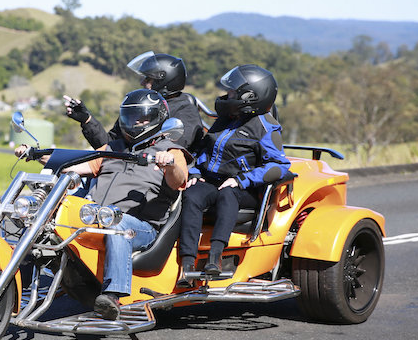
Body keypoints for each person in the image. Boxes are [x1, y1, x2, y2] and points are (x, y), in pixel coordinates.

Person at [17, 89, 189, 320]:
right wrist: (36, 154)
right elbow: (76, 163)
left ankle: (112, 296)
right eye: (130, 117)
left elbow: (179, 180)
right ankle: (17, 282)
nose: (135, 122)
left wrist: (169, 165)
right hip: (95, 217)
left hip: (140, 227)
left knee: (117, 227)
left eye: (142, 117)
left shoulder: (170, 151)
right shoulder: (112, 149)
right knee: (40, 218)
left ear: (157, 118)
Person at [176, 64, 291, 284]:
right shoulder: (225, 119)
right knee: (192, 196)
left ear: (250, 96)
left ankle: (215, 258)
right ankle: (187, 265)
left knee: (227, 195)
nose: (226, 95)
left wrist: (241, 180)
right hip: (212, 181)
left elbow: (279, 165)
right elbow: (203, 152)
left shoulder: (266, 127)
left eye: (231, 91)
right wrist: (194, 172)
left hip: (244, 189)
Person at [63, 51, 204, 151]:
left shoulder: (185, 111)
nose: (142, 82)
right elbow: (109, 145)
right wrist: (87, 121)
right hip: (128, 170)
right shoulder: (140, 106)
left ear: (164, 81)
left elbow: (171, 150)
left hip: (156, 178)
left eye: (148, 79)